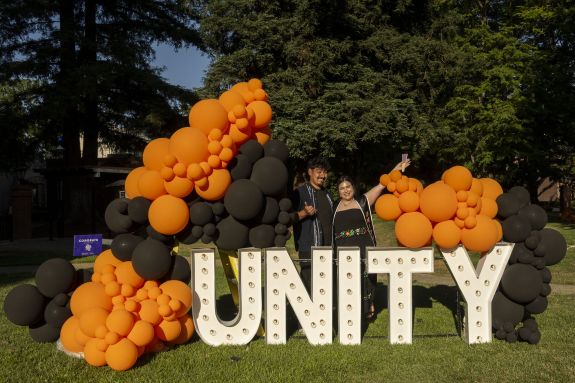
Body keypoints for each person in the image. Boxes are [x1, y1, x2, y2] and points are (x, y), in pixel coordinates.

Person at [332, 160, 410, 322]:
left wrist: (395, 170)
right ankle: (349, 311)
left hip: (362, 246)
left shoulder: (362, 202)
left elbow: (382, 185)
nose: (345, 190)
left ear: (353, 188)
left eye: (348, 187)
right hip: (342, 249)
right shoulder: (334, 207)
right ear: (338, 191)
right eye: (342, 188)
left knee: (366, 279)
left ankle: (368, 308)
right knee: (347, 281)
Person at [291, 157, 334, 293]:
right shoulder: (299, 193)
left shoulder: (328, 194)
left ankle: (326, 312)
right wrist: (303, 213)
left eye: (325, 172)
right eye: (319, 172)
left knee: (326, 284)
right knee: (309, 285)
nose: (323, 175)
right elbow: (288, 218)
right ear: (310, 172)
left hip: (329, 247)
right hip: (308, 246)